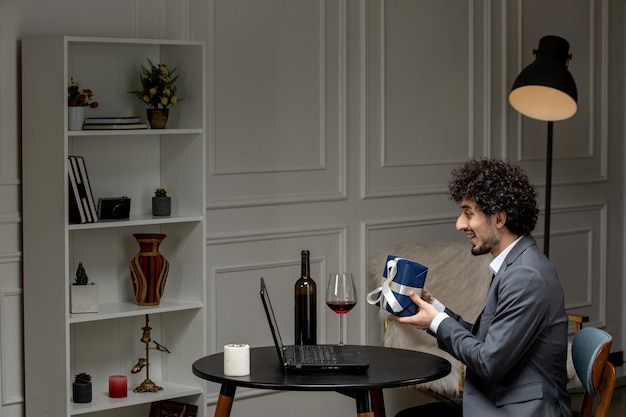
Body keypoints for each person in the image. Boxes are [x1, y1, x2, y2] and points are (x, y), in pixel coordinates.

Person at [394, 158, 572, 417]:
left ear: (499, 217)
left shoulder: (525, 275)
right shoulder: (514, 264)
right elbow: (487, 342)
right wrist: (436, 312)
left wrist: (438, 323)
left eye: (468, 213)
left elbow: (489, 363)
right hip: (497, 400)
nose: (459, 224)